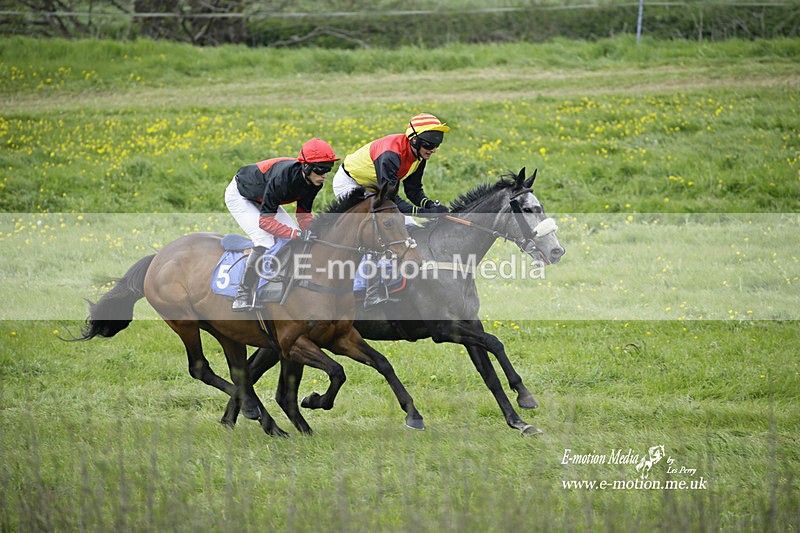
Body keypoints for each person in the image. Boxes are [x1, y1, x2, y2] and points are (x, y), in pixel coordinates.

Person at [225, 138, 339, 312]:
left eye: (328, 169)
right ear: (306, 167)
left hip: (264, 197)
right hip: (241, 196)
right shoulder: (282, 179)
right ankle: (242, 294)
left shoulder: (314, 182)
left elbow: (303, 215)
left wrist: (311, 233)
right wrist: (297, 234)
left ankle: (283, 281)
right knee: (265, 240)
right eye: (320, 170)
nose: (324, 175)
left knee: (295, 236)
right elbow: (266, 222)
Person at [332, 113, 450, 216]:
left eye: (436, 145)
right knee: (377, 224)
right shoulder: (390, 155)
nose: (433, 150)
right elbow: (388, 197)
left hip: (376, 188)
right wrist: (421, 213)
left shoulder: (420, 154)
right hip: (351, 183)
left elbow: (413, 190)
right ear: (414, 140)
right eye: (429, 145)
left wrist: (430, 205)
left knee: (407, 224)